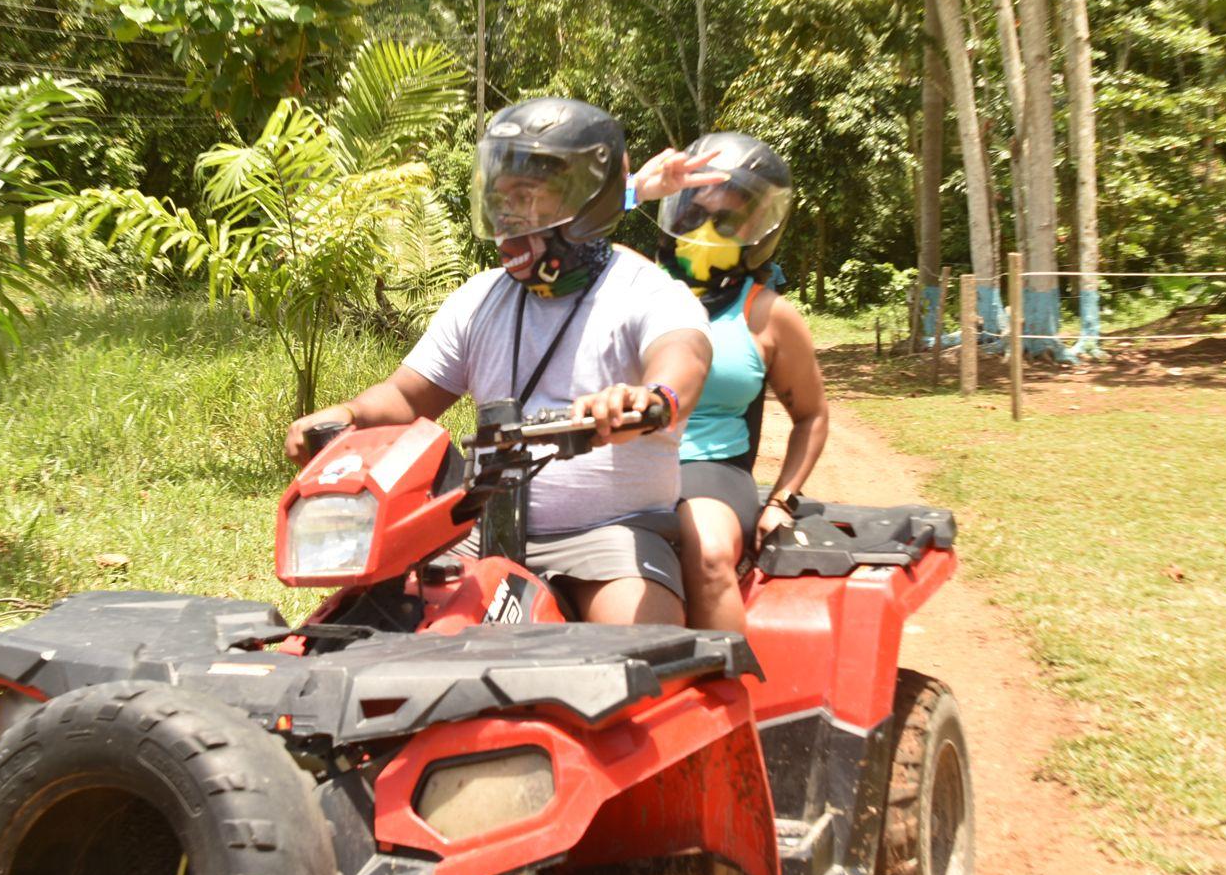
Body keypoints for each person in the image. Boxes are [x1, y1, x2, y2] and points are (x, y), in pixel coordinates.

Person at [285, 98, 725, 625]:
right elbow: (407, 396)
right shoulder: (479, 298)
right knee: (362, 631)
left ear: (589, 201)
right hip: (477, 530)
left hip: (610, 534)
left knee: (638, 651)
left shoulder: (646, 291)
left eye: (529, 197)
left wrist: (648, 400)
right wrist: (349, 416)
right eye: (501, 198)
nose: (509, 216)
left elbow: (684, 358)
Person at [653, 132, 830, 634]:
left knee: (707, 553)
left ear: (756, 230)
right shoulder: (634, 285)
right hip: (621, 461)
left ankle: (725, 698)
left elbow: (812, 416)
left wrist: (781, 501)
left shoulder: (767, 316)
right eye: (694, 216)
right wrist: (631, 190)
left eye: (726, 221)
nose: (706, 231)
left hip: (708, 469)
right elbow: (578, 234)